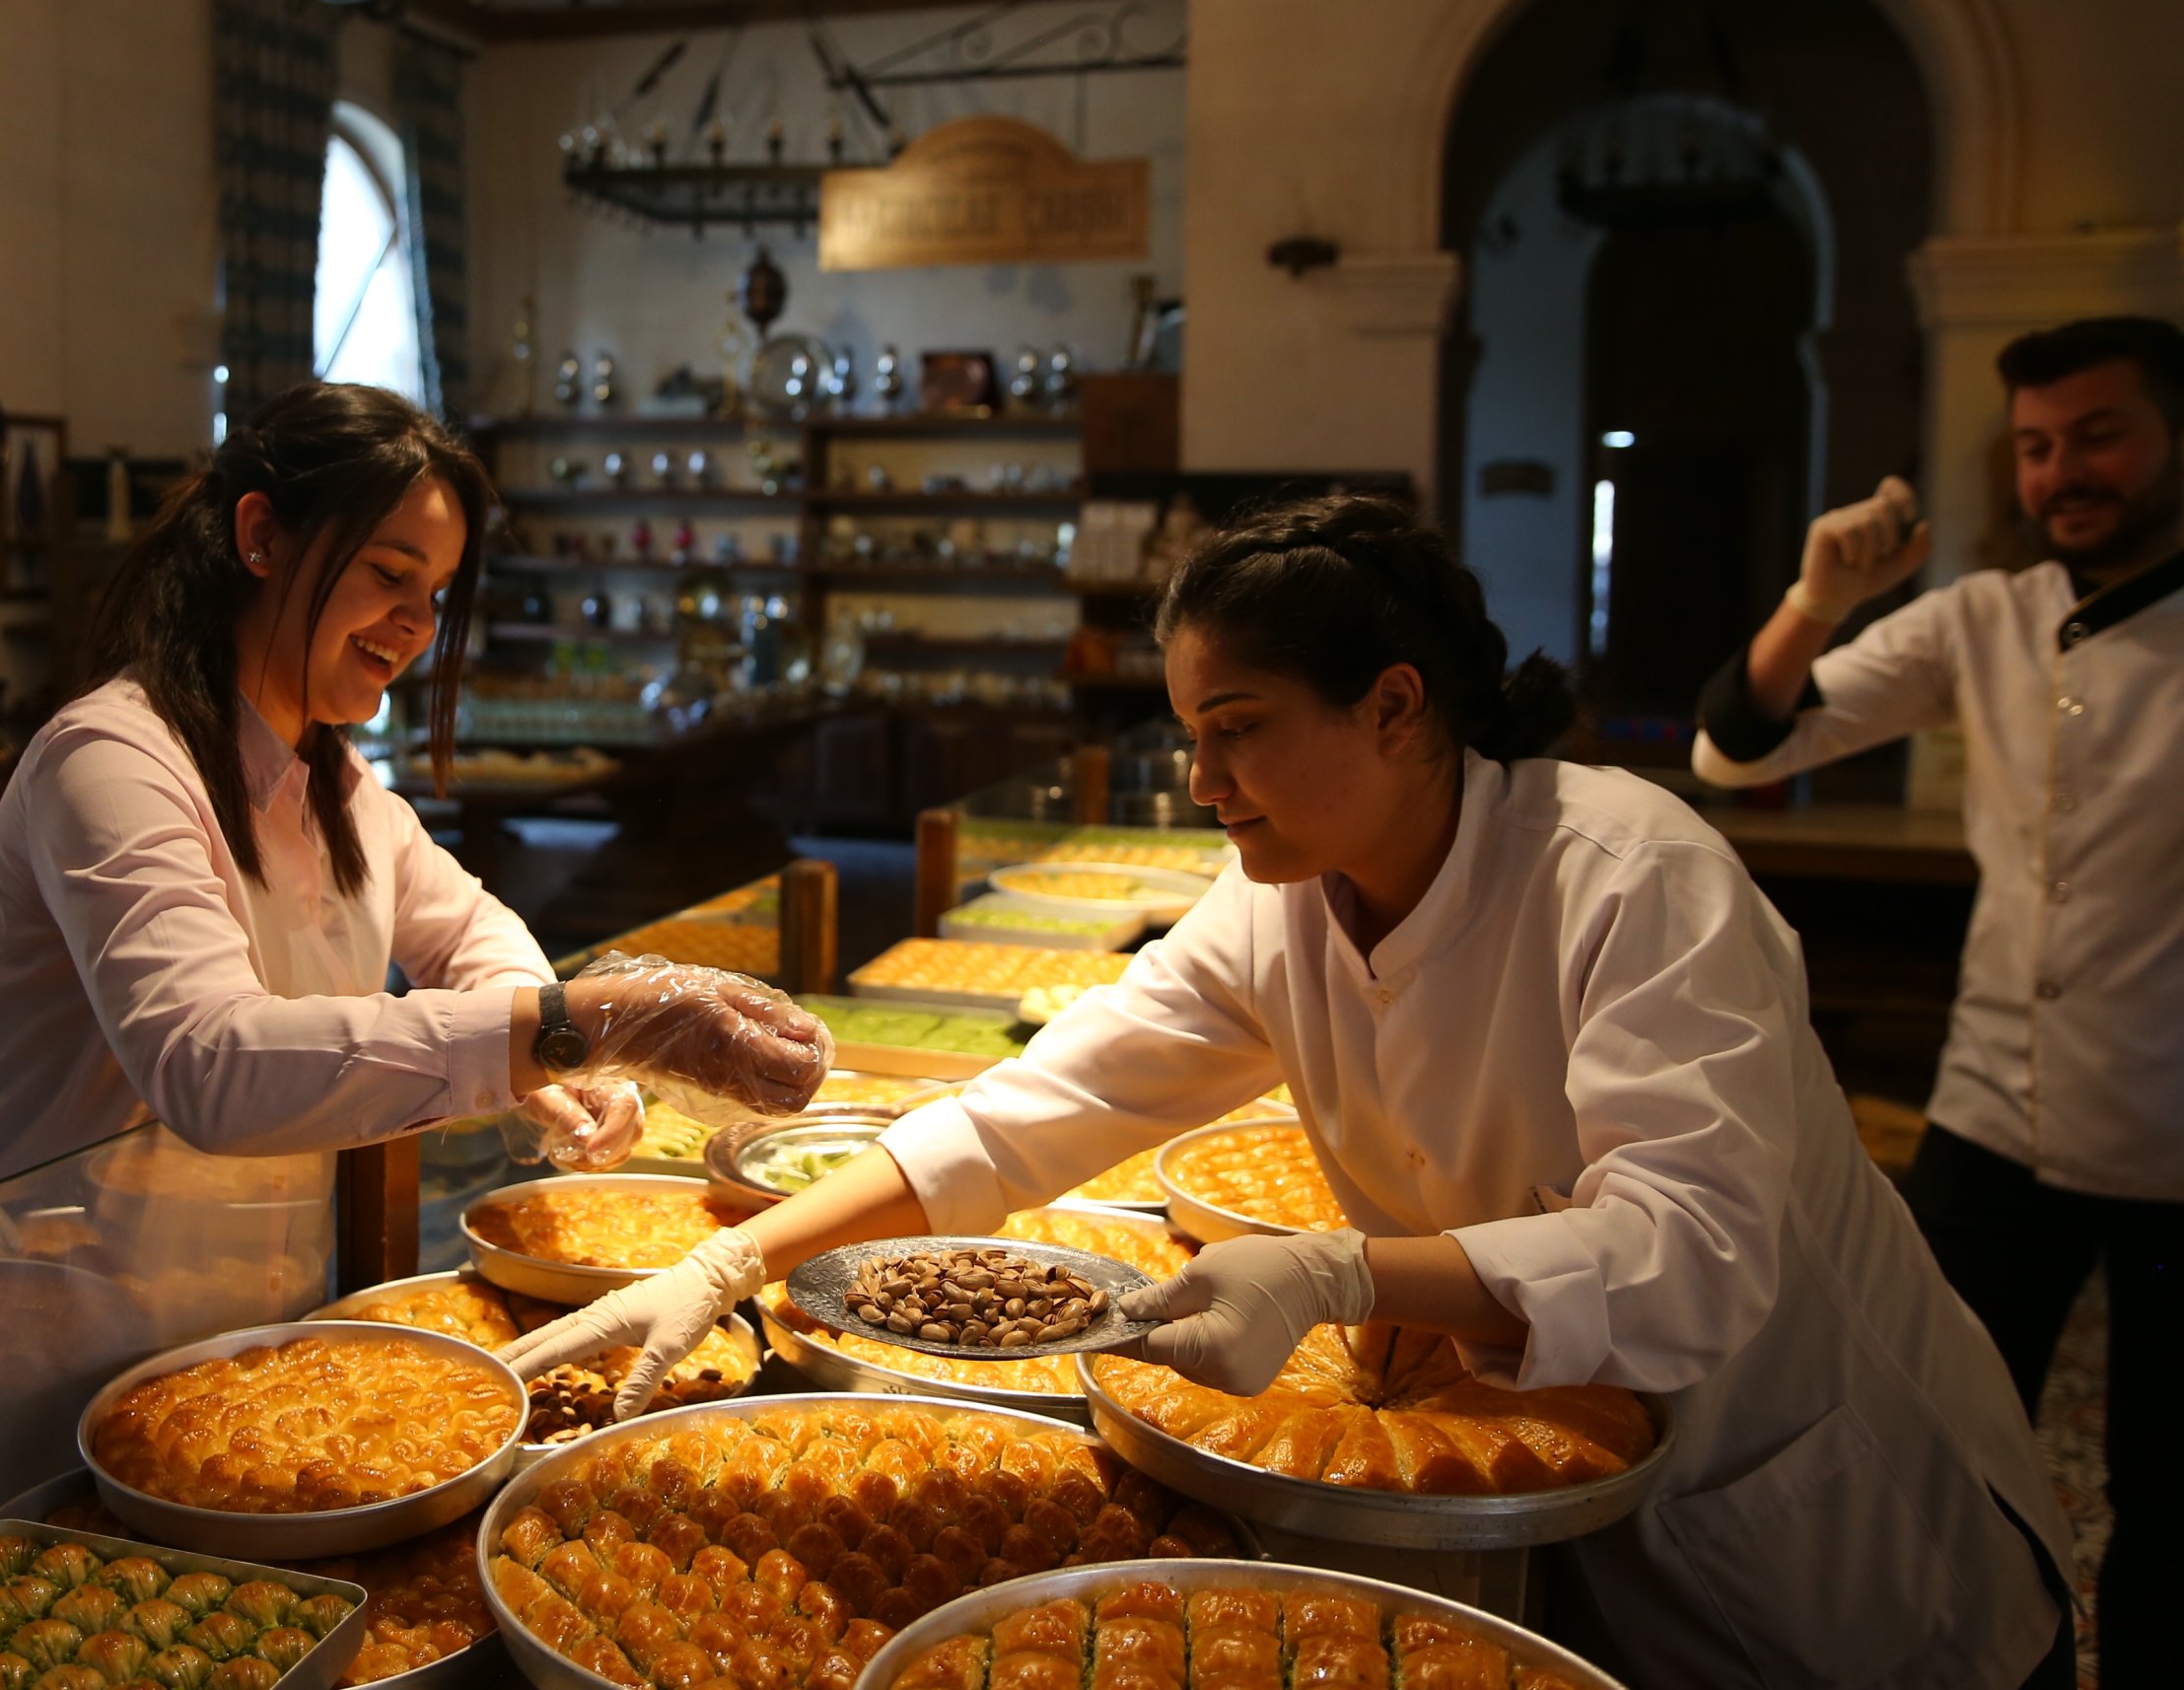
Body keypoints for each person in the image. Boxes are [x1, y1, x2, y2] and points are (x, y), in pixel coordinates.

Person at [510, 495, 2074, 1690]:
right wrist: (735, 1259)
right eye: (1190, 739)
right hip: (1566, 1488)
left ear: (1397, 706)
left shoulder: (1629, 877)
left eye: (1240, 734)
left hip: (1837, 1518)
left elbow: (1692, 1253)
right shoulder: (1285, 901)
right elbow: (1039, 1108)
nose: (1204, 787)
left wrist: (1339, 1269)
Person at [0, 383, 827, 1212]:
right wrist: (582, 1020)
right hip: (39, 1318)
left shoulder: (339, 787)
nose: (419, 624)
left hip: (254, 1341)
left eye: (433, 592)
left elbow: (468, 930)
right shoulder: (110, 762)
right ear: (262, 537)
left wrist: (561, 1056)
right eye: (390, 574)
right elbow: (211, 1065)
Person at [1690, 314, 2184, 1684]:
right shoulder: (1990, 616)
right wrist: (1820, 595)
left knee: (2165, 1488)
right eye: (2034, 447)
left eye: (2098, 435)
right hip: (1989, 1116)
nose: (2061, 472)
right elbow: (1738, 746)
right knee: (1936, 1436)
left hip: (2174, 1131)